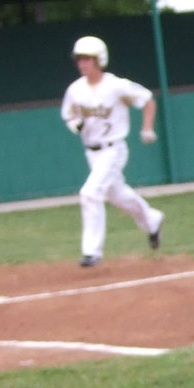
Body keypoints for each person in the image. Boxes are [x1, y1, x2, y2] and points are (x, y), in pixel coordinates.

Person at [61, 35, 164, 268]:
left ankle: (91, 251)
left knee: (89, 193)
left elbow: (148, 100)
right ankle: (152, 220)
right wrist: (74, 124)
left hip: (113, 149)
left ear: (100, 60)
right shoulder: (75, 89)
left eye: (87, 58)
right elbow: (69, 114)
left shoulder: (116, 85)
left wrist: (147, 128)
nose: (82, 63)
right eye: (79, 59)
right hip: (92, 152)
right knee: (118, 196)